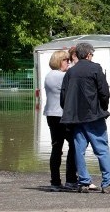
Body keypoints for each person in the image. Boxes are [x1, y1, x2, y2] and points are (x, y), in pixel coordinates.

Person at [60, 42, 110, 193]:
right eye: (92, 54)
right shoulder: (95, 68)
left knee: (79, 150)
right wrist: (103, 108)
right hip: (93, 116)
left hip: (76, 118)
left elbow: (63, 96)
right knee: (101, 149)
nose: (92, 57)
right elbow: (104, 92)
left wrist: (69, 111)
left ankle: (83, 181)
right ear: (88, 55)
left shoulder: (70, 72)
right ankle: (108, 183)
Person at [43, 49, 77, 191]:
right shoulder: (60, 76)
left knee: (56, 147)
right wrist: (76, 61)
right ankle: (70, 179)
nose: (68, 63)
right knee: (74, 145)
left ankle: (55, 181)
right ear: (59, 62)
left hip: (51, 115)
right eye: (65, 60)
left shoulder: (49, 76)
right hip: (62, 115)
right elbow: (74, 76)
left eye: (68, 60)